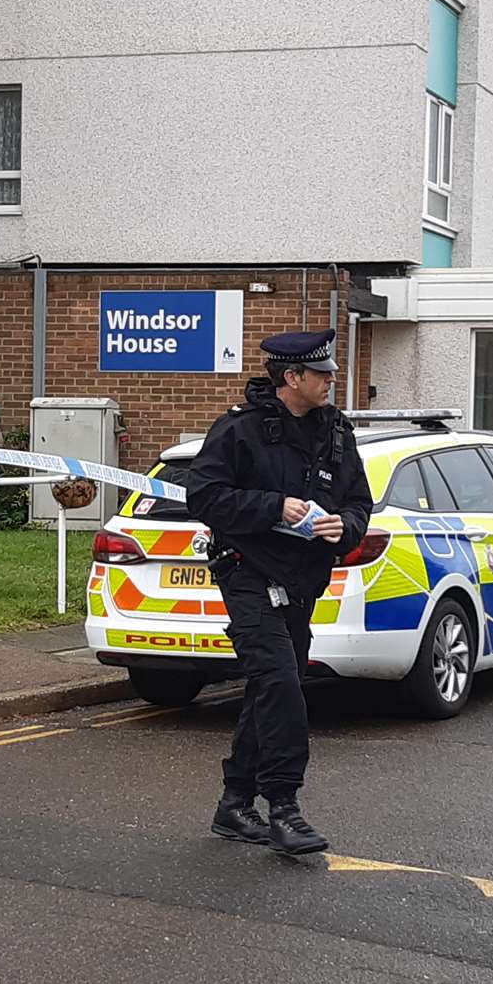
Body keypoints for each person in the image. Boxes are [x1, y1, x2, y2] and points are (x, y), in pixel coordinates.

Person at [185, 328, 373, 855]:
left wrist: (346, 526)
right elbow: (203, 495)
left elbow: (359, 500)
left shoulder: (336, 431)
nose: (332, 381)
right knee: (282, 684)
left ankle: (234, 805)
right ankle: (283, 808)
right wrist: (272, 507)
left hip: (302, 580)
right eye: (323, 374)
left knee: (272, 689)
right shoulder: (239, 431)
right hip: (248, 574)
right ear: (293, 378)